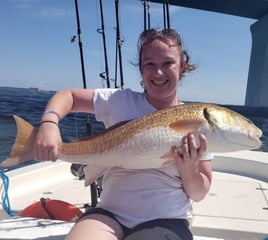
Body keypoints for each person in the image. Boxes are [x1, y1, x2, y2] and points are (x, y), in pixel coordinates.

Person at [34, 28, 213, 240]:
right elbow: (68, 96)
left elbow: (199, 193)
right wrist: (49, 122)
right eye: (150, 64)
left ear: (182, 66)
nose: (158, 72)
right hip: (109, 214)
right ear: (141, 70)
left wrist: (189, 170)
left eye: (168, 63)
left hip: (167, 218)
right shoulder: (120, 101)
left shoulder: (197, 121)